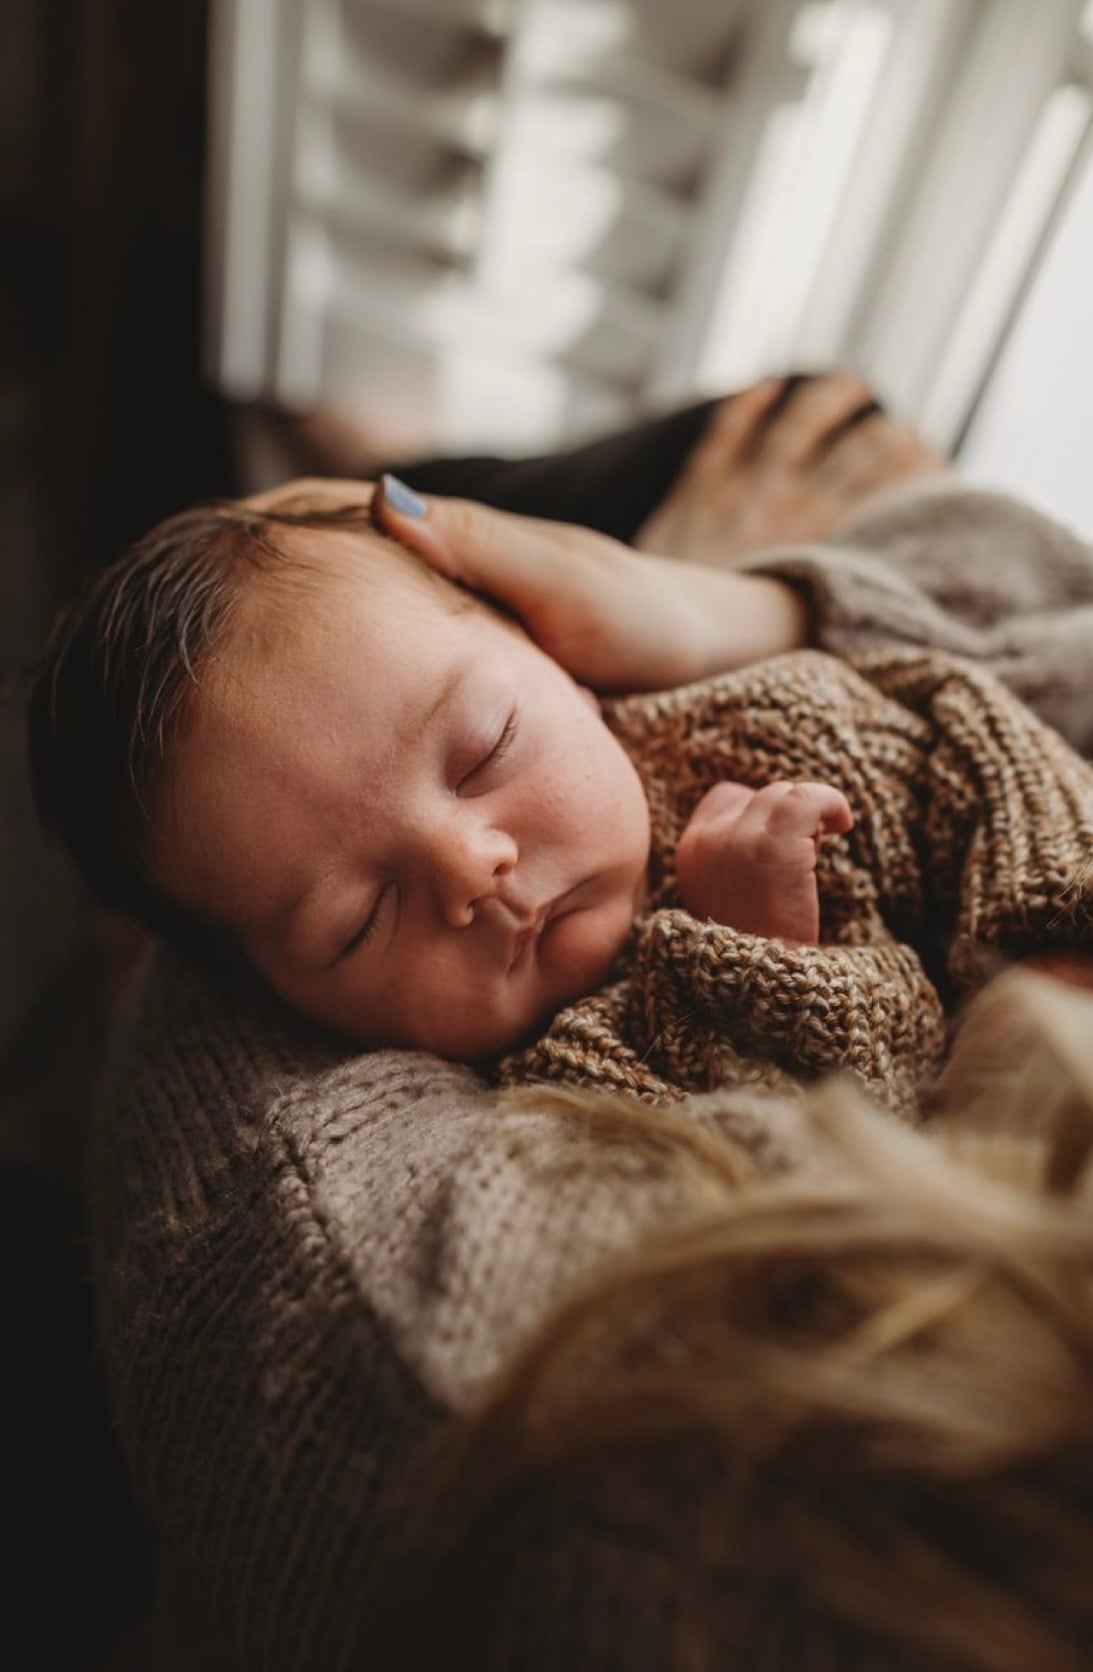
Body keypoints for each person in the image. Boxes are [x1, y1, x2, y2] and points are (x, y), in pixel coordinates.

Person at [25, 387, 1093, 1114]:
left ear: (560, 654)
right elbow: (797, 1155)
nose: (468, 869)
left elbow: (980, 741)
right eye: (357, 922)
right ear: (273, 1000)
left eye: (487, 748)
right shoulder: (549, 1082)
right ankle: (382, 462)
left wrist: (1052, 906)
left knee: (810, 393)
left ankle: (379, 463)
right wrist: (755, 959)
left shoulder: (762, 718)